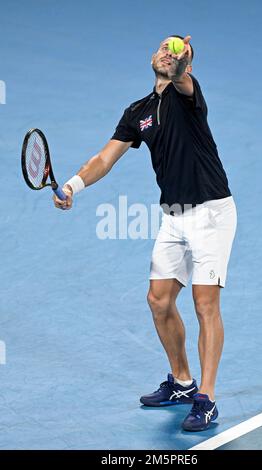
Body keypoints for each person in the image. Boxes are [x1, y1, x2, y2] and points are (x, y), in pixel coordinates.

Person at [53, 35, 237, 432]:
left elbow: (183, 76)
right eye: (162, 50)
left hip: (211, 212)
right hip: (173, 215)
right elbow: (104, 158)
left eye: (174, 56)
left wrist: (182, 63)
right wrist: (71, 186)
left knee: (205, 303)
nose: (165, 57)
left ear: (186, 64)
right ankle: (183, 383)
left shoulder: (188, 96)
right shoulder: (138, 111)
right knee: (158, 299)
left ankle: (206, 398)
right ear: (151, 58)